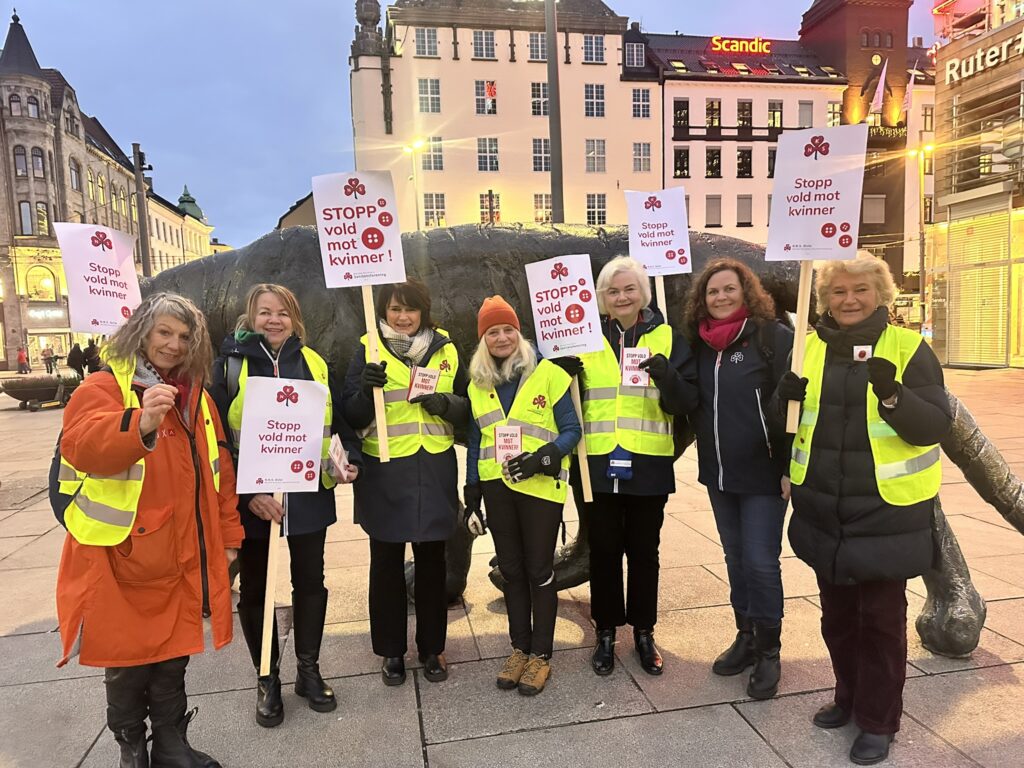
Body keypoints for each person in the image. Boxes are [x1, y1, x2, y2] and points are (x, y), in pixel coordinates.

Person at [774, 253, 951, 766]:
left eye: (860, 290)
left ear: (881, 295)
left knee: (880, 624)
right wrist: (781, 400)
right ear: (824, 299)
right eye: (838, 291)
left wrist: (894, 396)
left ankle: (878, 720)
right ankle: (847, 696)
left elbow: (933, 426)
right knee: (837, 620)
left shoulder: (908, 348)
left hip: (885, 514)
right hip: (824, 510)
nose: (849, 300)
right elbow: (788, 429)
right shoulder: (807, 349)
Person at [55, 292, 242, 768]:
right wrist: (141, 423)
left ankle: (171, 743)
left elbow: (219, 471)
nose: (174, 344)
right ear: (141, 333)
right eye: (164, 332)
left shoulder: (198, 397)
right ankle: (132, 749)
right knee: (127, 660)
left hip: (183, 553)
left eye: (184, 336)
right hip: (122, 556)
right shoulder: (104, 386)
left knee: (174, 654)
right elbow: (81, 445)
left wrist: (229, 538)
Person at [210, 283, 361, 728]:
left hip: (309, 494)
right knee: (256, 589)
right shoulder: (230, 365)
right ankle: (267, 677)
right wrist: (247, 495)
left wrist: (346, 462)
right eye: (265, 312)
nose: (273, 320)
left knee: (311, 582)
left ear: (295, 319)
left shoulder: (314, 362)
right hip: (254, 501)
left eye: (282, 313)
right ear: (251, 317)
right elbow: (215, 439)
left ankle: (309, 671)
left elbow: (337, 426)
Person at [570, 256, 696, 677]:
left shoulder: (667, 337)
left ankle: (644, 631)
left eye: (629, 289)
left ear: (643, 293)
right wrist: (560, 371)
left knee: (644, 553)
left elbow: (686, 402)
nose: (621, 297)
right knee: (603, 552)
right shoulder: (583, 339)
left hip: (647, 462)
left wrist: (667, 376)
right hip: (596, 462)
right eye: (613, 291)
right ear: (601, 297)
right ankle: (605, 631)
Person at [342, 278, 469, 686]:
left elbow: (469, 407)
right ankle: (391, 651)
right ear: (383, 311)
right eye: (394, 309)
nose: (402, 317)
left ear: (423, 311)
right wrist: (365, 393)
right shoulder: (367, 349)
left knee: (432, 562)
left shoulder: (447, 349)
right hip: (385, 470)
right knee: (386, 564)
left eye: (409, 308)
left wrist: (445, 404)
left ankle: (432, 648)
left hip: (433, 468)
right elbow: (351, 415)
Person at [682, 258, 794, 699]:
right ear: (702, 300)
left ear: (747, 292)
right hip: (720, 474)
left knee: (761, 562)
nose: (721, 297)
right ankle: (745, 635)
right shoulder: (700, 344)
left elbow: (796, 411)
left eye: (729, 288)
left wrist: (789, 465)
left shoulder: (771, 337)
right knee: (735, 559)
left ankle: (769, 651)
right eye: (713, 291)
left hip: (765, 474)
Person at [464, 296, 581, 695]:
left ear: (519, 333)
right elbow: (476, 441)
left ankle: (541, 656)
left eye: (508, 329)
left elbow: (571, 430)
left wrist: (542, 458)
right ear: (483, 339)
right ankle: (520, 649)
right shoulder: (478, 385)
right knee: (511, 570)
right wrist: (471, 495)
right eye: (492, 331)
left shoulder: (547, 374)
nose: (502, 337)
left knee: (539, 570)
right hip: (497, 488)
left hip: (540, 488)